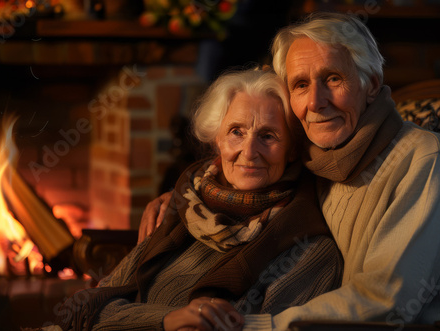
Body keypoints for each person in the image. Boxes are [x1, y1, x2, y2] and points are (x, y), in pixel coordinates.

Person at [140, 12, 440, 330]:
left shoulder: (423, 162)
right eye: (300, 84)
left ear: (371, 84)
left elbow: (386, 302)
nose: (316, 101)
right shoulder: (320, 151)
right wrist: (183, 198)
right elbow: (247, 162)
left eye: (333, 78)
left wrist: (248, 327)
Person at [53, 68, 343, 331]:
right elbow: (91, 307)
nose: (249, 151)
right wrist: (167, 320)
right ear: (217, 138)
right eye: (236, 132)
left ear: (291, 150)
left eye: (268, 136)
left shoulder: (309, 250)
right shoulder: (179, 208)